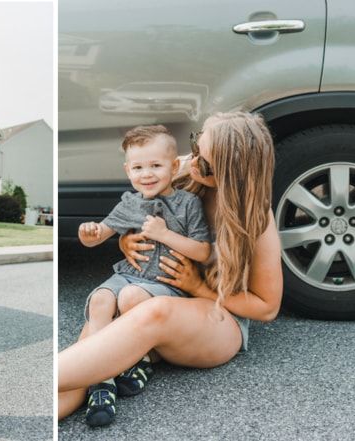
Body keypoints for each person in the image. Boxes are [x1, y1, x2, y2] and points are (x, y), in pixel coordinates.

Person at [58, 111, 284, 424]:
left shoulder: (256, 217)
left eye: (202, 160)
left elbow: (266, 307)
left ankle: (43, 383)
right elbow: (133, 211)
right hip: (152, 289)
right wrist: (127, 241)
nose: (192, 161)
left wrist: (198, 287)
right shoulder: (182, 170)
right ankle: (64, 396)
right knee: (99, 328)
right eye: (194, 147)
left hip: (216, 318)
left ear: (232, 173)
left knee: (156, 312)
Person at [77, 125, 211, 426]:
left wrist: (165, 235)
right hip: (128, 274)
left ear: (174, 166)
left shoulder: (188, 204)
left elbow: (203, 251)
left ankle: (137, 360)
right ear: (128, 171)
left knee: (131, 297)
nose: (146, 174)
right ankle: (102, 381)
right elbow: (100, 235)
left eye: (155, 165)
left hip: (165, 284)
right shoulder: (129, 204)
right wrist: (89, 233)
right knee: (100, 299)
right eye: (138, 167)